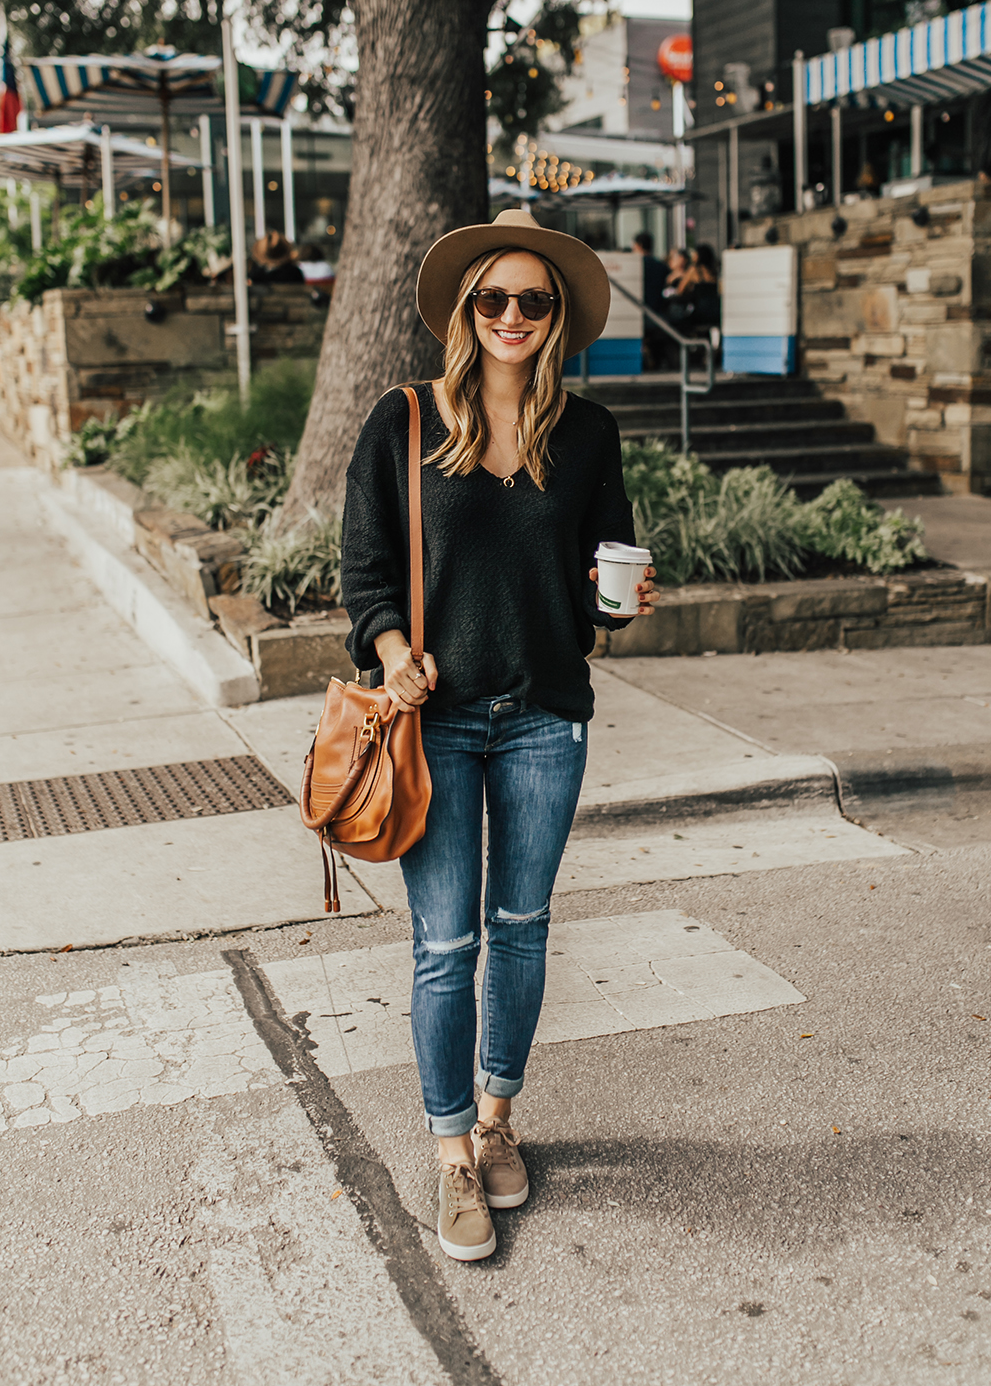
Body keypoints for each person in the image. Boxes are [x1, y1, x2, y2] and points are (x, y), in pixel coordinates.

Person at [340, 209, 660, 1262]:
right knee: (445, 946)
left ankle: (497, 1120)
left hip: (543, 718)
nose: (512, 315)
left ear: (555, 314)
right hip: (435, 720)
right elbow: (368, 576)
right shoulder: (402, 422)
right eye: (493, 299)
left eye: (532, 300)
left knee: (520, 924)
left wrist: (621, 602)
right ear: (465, 314)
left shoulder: (589, 433)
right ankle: (448, 1158)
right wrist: (393, 657)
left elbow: (598, 578)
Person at [632, 231, 669, 370]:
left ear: (639, 246)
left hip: (639, 314)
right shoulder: (661, 266)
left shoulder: (635, 266)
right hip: (658, 313)